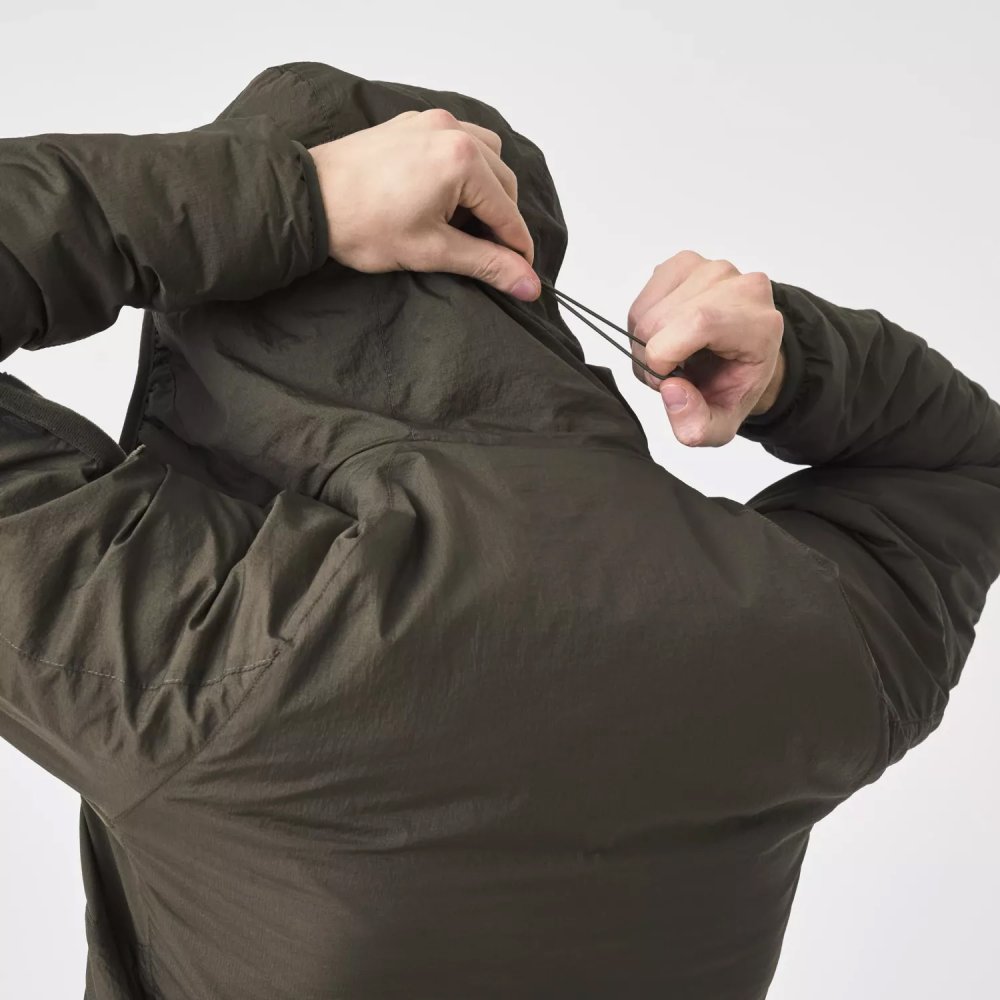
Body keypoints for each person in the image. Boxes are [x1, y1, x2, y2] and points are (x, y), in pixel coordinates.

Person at [0, 60, 996, 1000]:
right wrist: (795, 366)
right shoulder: (792, 634)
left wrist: (287, 200)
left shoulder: (199, 653)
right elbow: (962, 467)